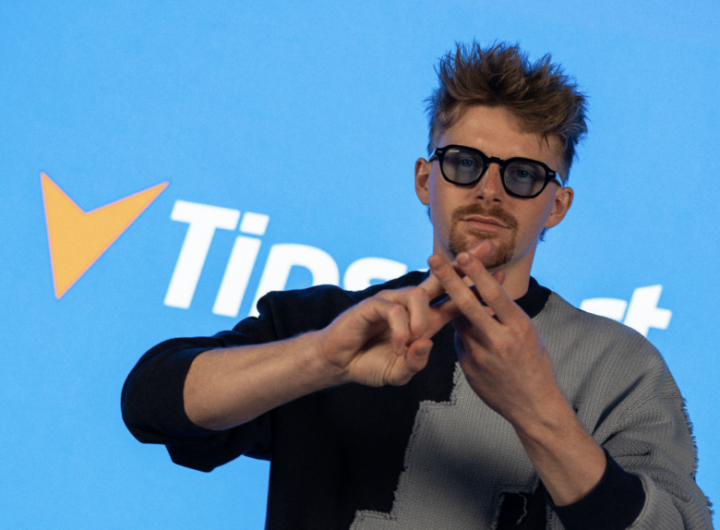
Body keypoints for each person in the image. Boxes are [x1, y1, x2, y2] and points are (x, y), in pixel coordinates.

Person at [122, 42, 713, 529]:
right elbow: (151, 404)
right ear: (425, 179)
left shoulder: (621, 366)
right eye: (464, 163)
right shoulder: (329, 324)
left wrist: (537, 408)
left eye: (523, 174)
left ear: (556, 206)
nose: (489, 190)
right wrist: (321, 359)